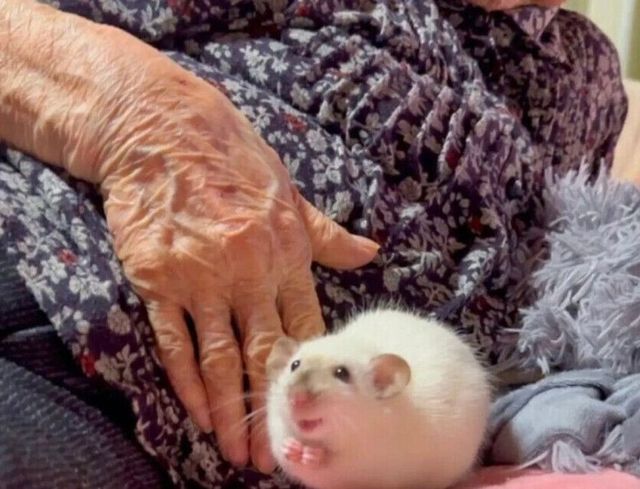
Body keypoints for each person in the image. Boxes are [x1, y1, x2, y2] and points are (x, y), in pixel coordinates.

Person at [0, 0, 626, 482]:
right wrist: (133, 114)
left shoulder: (588, 77)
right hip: (50, 257)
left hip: (204, 449)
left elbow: (575, 263)